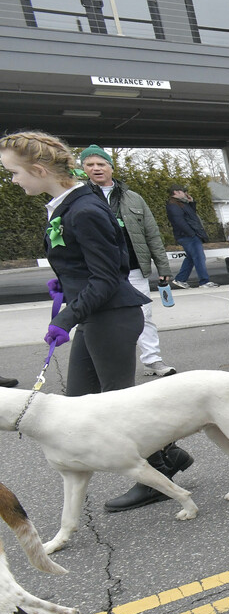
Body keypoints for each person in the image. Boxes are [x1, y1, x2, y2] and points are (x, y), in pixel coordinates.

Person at [1, 131, 193, 512]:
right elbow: (93, 262)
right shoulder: (67, 203)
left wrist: (67, 316)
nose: (11, 180)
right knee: (79, 402)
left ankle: (159, 472)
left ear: (39, 170)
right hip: (98, 314)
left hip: (112, 316)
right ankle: (169, 456)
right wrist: (67, 281)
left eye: (12, 172)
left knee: (117, 408)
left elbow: (109, 276)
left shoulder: (84, 209)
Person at [78, 145, 177, 378]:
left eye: (101, 164)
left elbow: (151, 233)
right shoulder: (78, 197)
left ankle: (152, 360)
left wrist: (162, 268)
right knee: (99, 319)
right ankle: (102, 366)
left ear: (111, 167)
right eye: (90, 165)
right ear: (83, 170)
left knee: (144, 316)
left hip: (133, 268)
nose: (96, 168)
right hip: (96, 272)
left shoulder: (134, 198)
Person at [165, 185, 215, 288]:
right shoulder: (173, 206)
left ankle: (180, 279)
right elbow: (179, 222)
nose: (185, 193)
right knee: (199, 257)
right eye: (183, 191)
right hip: (188, 236)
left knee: (191, 258)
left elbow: (191, 215)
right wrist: (192, 233)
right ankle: (204, 281)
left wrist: (191, 202)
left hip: (188, 235)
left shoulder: (180, 204)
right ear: (176, 192)